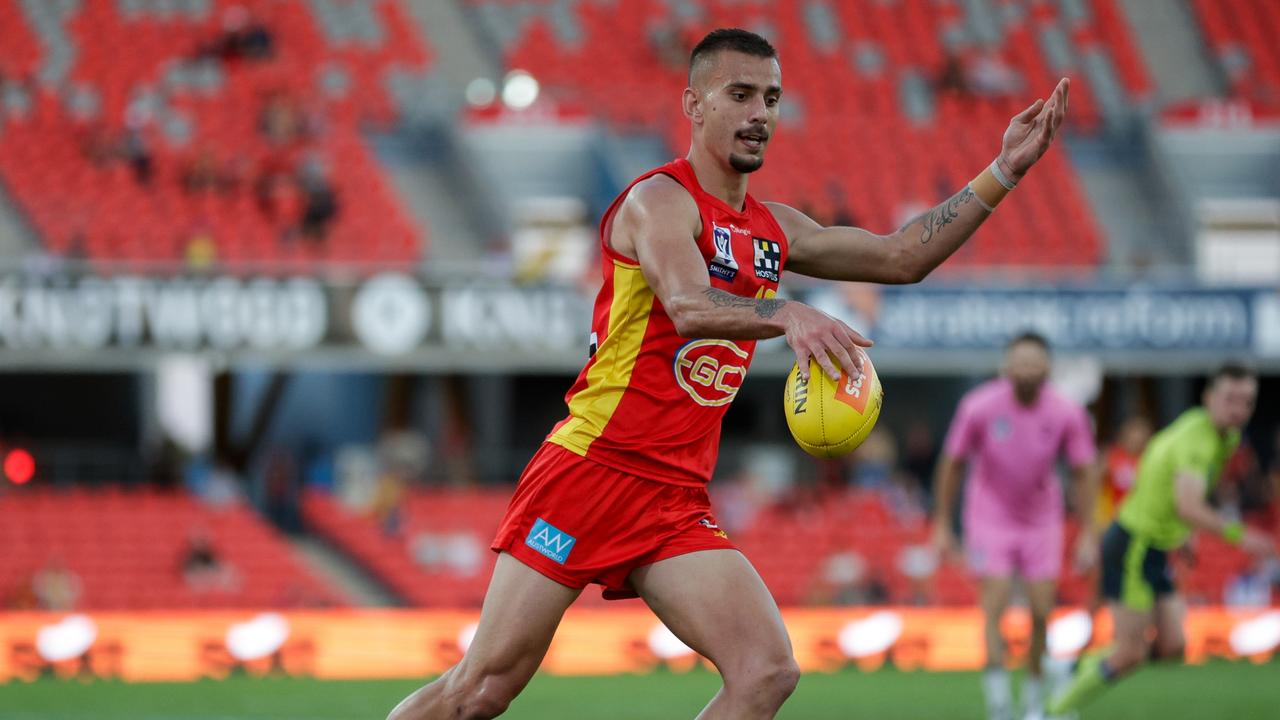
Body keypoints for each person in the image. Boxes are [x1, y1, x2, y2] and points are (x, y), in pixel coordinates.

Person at [387, 28, 1069, 720]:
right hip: (592, 468)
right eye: (739, 94)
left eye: (771, 98)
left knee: (766, 672)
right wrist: (788, 315)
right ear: (695, 104)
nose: (759, 113)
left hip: (674, 496)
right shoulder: (658, 201)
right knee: (480, 691)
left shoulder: (773, 229)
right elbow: (686, 304)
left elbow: (900, 258)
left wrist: (1003, 171)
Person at [1047, 363, 1275, 718]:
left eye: (1247, 401)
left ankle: (1078, 667)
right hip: (1133, 544)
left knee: (1173, 646)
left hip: (1157, 545)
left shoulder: (1225, 437)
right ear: (1208, 397)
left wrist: (1181, 536)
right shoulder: (1193, 441)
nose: (1238, 409)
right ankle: (1051, 711)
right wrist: (1241, 536)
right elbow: (1189, 505)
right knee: (1130, 653)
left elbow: (1170, 492)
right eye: (1230, 399)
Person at [931, 332, 1098, 720]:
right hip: (990, 516)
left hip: (1041, 519)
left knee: (1042, 611)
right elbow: (952, 462)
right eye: (1019, 362)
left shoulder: (1066, 412)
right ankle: (1000, 705)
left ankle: (1037, 700)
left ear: (1048, 368)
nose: (1025, 370)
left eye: (1033, 362)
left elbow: (1084, 471)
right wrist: (941, 521)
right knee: (996, 606)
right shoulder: (979, 406)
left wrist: (1089, 530)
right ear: (1006, 367)